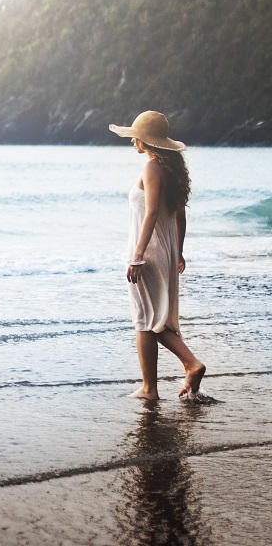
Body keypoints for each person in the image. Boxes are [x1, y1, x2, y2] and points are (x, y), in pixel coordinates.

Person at [109, 111, 205, 399]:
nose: (133, 142)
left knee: (145, 320)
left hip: (148, 254)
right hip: (164, 251)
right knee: (153, 319)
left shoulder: (152, 168)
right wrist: (179, 251)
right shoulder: (172, 171)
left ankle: (182, 369)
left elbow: (151, 212)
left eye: (136, 137)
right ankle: (153, 385)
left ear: (144, 140)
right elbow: (180, 216)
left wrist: (137, 256)